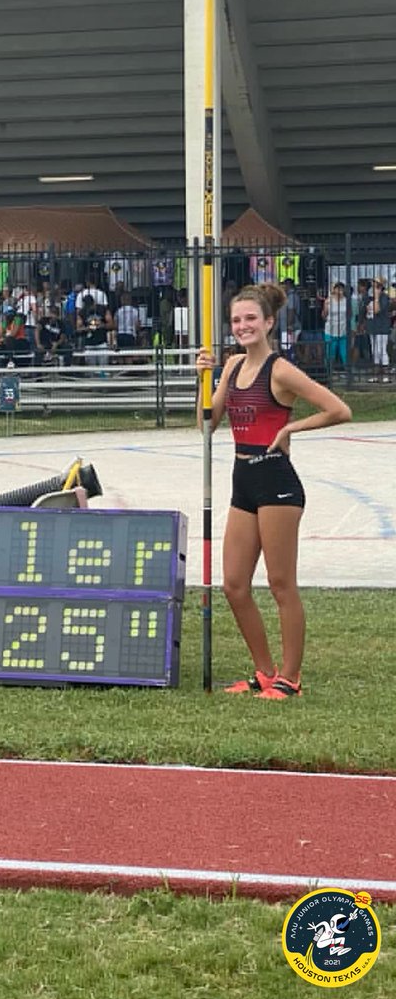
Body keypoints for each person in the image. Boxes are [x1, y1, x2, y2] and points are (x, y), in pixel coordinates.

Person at [195, 283, 351, 700]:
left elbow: (339, 410)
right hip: (243, 481)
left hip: (276, 483)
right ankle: (265, 672)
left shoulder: (280, 370)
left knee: (281, 584)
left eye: (250, 318)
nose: (242, 325)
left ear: (268, 322)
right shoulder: (231, 366)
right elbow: (206, 424)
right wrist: (203, 379)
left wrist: (290, 427)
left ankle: (291, 678)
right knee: (234, 585)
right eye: (236, 320)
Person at [367, 278, 391, 383]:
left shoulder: (384, 297)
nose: (373, 288)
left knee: (381, 350)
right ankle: (375, 375)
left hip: (382, 327)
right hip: (372, 326)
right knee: (374, 351)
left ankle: (386, 375)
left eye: (375, 285)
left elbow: (377, 310)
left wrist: (376, 298)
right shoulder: (370, 297)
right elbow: (367, 310)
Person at [322, 282, 347, 368]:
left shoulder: (346, 301)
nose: (340, 291)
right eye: (338, 289)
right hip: (330, 330)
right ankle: (328, 371)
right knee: (330, 354)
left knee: (345, 354)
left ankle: (347, 371)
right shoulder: (329, 301)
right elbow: (324, 316)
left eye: (341, 289)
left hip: (343, 330)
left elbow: (349, 314)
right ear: (334, 290)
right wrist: (325, 307)